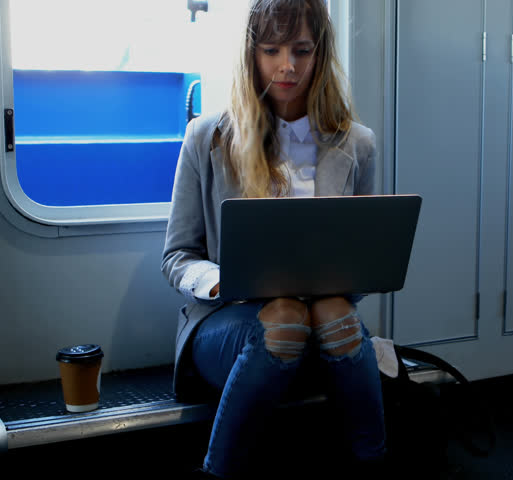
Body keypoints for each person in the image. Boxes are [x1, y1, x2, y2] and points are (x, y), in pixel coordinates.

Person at [160, 0, 386, 477]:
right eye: (272, 50)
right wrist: (225, 281)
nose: (287, 66)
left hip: (322, 324)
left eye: (302, 51)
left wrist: (340, 282)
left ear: (320, 53)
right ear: (252, 54)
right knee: (285, 316)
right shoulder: (207, 138)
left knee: (335, 310)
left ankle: (373, 466)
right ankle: (217, 472)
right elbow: (178, 256)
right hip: (229, 321)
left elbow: (362, 265)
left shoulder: (357, 144)